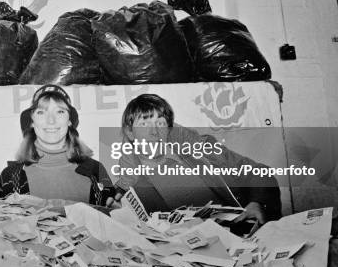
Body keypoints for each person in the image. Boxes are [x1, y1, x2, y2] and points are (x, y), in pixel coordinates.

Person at [107, 94, 281, 225]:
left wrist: (258, 203)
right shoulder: (129, 187)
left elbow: (259, 173)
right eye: (144, 124)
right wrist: (120, 216)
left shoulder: (202, 150)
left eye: (160, 124)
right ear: (130, 133)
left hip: (238, 231)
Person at [0, 84, 114, 205]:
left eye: (60, 112)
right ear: (32, 122)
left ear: (69, 121)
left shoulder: (96, 171)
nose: (51, 120)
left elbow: (113, 217)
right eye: (41, 112)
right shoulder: (10, 176)